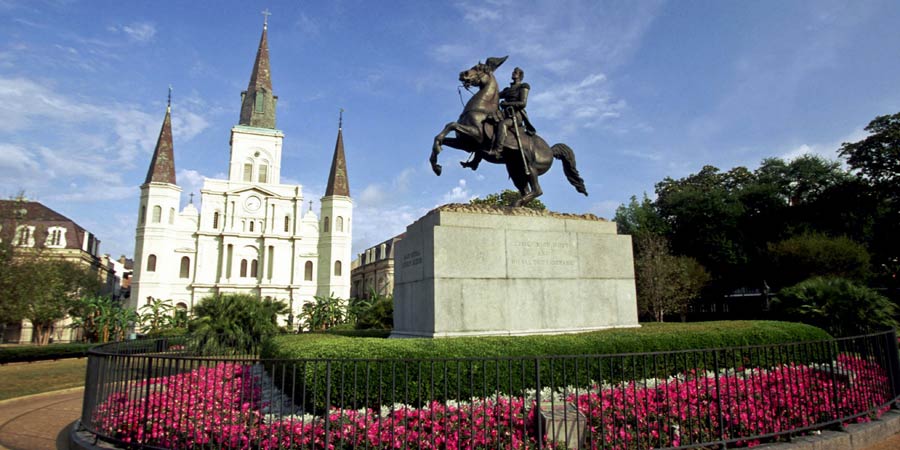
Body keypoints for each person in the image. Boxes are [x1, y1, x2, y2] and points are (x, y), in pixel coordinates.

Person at [487, 67, 536, 158]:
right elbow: (494, 96)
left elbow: (523, 103)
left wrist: (507, 104)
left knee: (503, 124)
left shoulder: (523, 86)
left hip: (516, 115)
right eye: (513, 71)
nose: (513, 73)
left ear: (520, 75)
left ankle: (498, 150)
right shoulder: (507, 90)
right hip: (504, 114)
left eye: (516, 72)